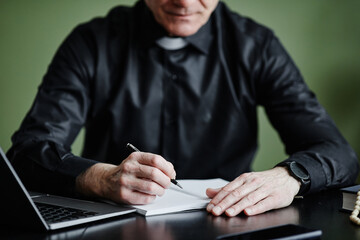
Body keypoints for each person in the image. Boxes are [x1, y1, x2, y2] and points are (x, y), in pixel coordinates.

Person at [7, 0, 359, 217]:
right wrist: (101, 178)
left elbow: (339, 153)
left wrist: (290, 176)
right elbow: (28, 152)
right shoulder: (91, 43)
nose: (184, 1)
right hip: (113, 226)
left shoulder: (257, 45)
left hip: (229, 225)